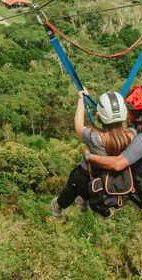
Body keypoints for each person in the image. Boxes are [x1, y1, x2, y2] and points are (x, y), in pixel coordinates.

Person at [51, 89, 134, 218]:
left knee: (72, 186)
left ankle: (57, 208)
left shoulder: (95, 137)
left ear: (100, 116)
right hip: (108, 181)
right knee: (88, 190)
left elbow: (78, 126)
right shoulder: (131, 135)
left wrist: (81, 100)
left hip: (86, 178)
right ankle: (85, 202)